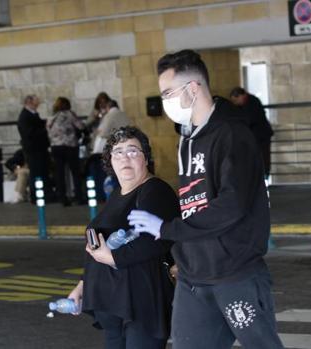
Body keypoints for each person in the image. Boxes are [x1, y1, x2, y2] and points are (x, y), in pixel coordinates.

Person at [128, 49, 285, 349]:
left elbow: (232, 205)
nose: (165, 103)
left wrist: (167, 229)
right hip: (193, 276)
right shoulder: (187, 138)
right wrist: (177, 249)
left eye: (168, 93)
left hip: (234, 273)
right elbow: (192, 201)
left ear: (193, 88)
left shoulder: (233, 135)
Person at [68, 126, 179, 349]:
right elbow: (99, 245)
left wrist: (113, 259)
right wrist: (82, 285)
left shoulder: (154, 190)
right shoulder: (117, 194)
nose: (124, 158)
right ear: (110, 160)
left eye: (132, 151)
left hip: (140, 303)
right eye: (118, 152)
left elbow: (157, 240)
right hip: (112, 302)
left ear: (145, 158)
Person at [46, 97, 85, 206]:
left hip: (56, 147)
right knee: (75, 172)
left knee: (60, 173)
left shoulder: (51, 117)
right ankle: (79, 197)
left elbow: (48, 131)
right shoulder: (69, 114)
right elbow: (80, 126)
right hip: (70, 146)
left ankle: (63, 198)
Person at [230, 87, 274, 177]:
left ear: (241, 96)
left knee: (263, 156)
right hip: (256, 136)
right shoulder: (248, 102)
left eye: (236, 100)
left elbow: (250, 119)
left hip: (261, 135)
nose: (235, 103)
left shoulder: (252, 102)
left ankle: (264, 174)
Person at [17, 95, 52, 203]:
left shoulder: (32, 114)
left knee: (42, 172)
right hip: (33, 150)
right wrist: (45, 129)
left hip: (39, 149)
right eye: (36, 102)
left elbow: (37, 123)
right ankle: (36, 196)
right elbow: (29, 133)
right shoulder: (25, 116)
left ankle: (45, 194)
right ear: (29, 102)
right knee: (36, 173)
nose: (38, 104)